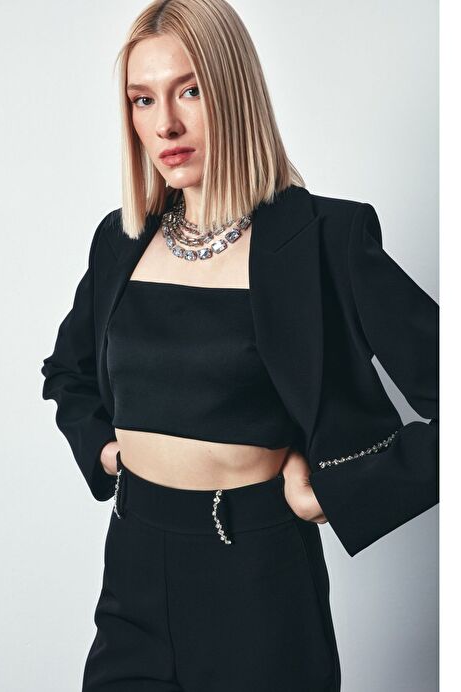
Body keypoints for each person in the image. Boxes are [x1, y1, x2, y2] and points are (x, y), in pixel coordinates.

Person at [40, 1, 439, 690]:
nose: (165, 123)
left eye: (190, 90)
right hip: (133, 567)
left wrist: (337, 491)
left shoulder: (324, 239)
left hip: (257, 576)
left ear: (234, 92)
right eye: (143, 99)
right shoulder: (120, 239)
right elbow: (68, 372)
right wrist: (106, 451)